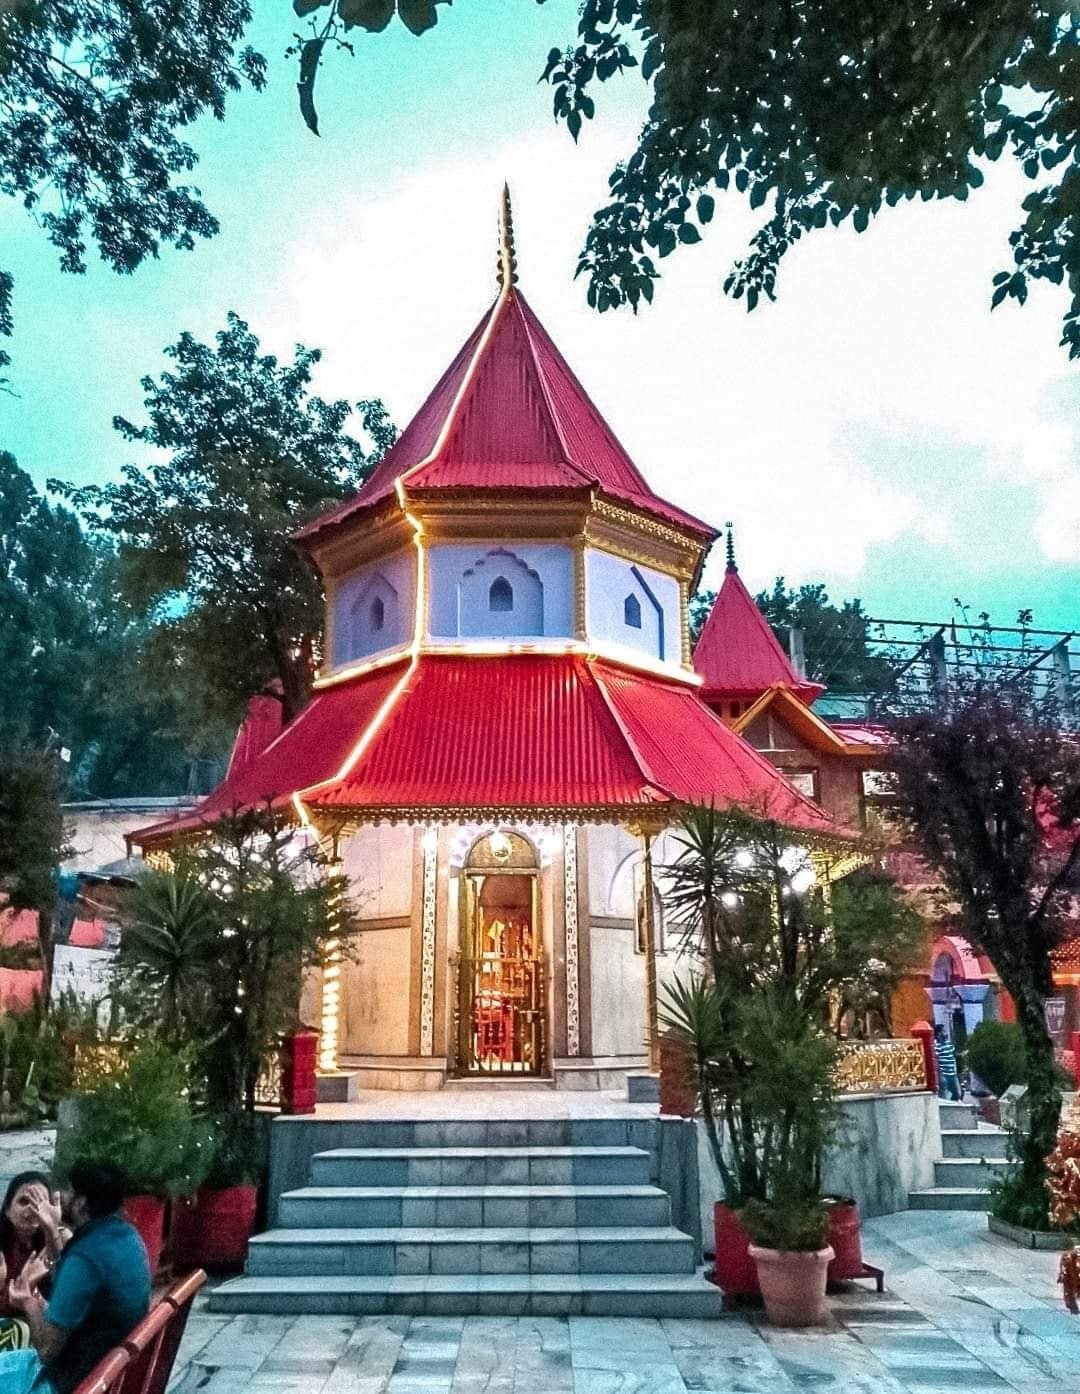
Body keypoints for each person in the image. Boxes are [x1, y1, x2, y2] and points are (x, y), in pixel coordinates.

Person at [0, 1159, 150, 1394]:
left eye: (68, 1191)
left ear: (80, 1203)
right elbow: (71, 1295)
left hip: (75, 1380)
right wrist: (51, 1230)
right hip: (109, 1370)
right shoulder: (129, 1237)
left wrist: (28, 1302)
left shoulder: (85, 1259)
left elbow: (47, 1350)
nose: (61, 1196)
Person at [0, 1172, 70, 1350]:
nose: (31, 1210)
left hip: (43, 1325)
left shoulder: (61, 1237)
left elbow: (68, 1291)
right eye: (23, 1202)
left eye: (38, 1203)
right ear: (7, 1209)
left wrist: (51, 1230)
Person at [934, 1023, 962, 1101]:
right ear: (938, 1033)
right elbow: (936, 1060)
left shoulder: (949, 1043)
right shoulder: (936, 1045)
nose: (945, 1033)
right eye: (943, 1031)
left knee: (956, 1094)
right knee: (945, 1094)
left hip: (952, 1073)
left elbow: (953, 1056)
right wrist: (940, 1074)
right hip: (944, 1074)